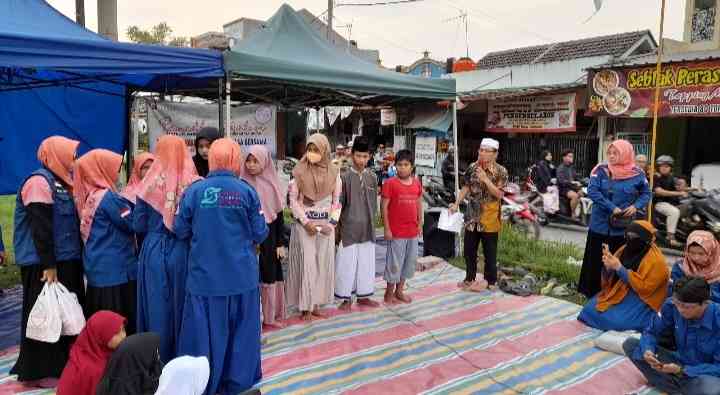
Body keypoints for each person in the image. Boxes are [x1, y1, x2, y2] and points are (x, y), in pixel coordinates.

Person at [175, 138, 268, 395]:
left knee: (205, 339)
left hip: (204, 281)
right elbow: (260, 233)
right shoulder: (247, 191)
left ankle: (204, 385)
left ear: (212, 159)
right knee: (241, 336)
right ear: (235, 159)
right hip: (241, 279)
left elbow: (180, 229)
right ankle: (239, 386)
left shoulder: (194, 191)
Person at [11, 136, 85, 387]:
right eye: (71, 154)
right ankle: (40, 370)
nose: (74, 160)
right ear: (57, 154)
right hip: (44, 263)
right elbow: (40, 227)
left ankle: (63, 364)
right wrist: (49, 265)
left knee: (67, 314)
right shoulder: (38, 182)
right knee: (45, 315)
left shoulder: (64, 181)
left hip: (66, 258)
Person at [134, 135, 201, 362]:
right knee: (183, 305)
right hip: (183, 250)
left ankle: (157, 361)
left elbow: (138, 224)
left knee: (156, 308)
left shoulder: (147, 184)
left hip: (153, 250)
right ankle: (184, 359)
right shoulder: (194, 184)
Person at [74, 149, 138, 332]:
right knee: (117, 325)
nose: (117, 174)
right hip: (116, 271)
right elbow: (130, 223)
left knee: (100, 322)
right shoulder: (108, 198)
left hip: (97, 269)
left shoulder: (88, 196)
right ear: (100, 169)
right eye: (114, 169)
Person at [622, 277, 720, 395]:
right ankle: (682, 389)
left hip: (704, 373)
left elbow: (718, 367)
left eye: (686, 307)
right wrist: (648, 350)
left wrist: (682, 371)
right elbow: (650, 331)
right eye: (677, 303)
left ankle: (674, 385)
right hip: (678, 362)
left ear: (705, 303)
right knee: (631, 345)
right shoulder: (671, 305)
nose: (680, 310)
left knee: (713, 389)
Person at [578, 140, 651, 298]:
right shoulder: (601, 170)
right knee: (595, 258)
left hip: (623, 227)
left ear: (625, 153)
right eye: (609, 153)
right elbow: (593, 191)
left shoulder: (637, 173)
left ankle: (615, 292)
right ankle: (590, 292)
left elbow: (647, 194)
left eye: (615, 153)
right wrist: (612, 208)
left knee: (619, 259)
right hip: (600, 224)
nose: (611, 156)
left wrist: (636, 206)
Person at [287, 133, 342, 320]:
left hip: (326, 228)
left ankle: (317, 303)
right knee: (308, 264)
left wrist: (332, 224)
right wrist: (306, 222)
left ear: (325, 151)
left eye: (316, 150)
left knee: (322, 264)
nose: (312, 153)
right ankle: (305, 307)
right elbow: (293, 201)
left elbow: (337, 202)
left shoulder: (334, 174)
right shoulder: (299, 172)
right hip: (305, 227)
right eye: (309, 149)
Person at [577, 221, 669, 331]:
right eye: (628, 236)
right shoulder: (624, 249)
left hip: (641, 300)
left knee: (615, 323)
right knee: (587, 310)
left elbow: (645, 288)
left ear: (646, 239)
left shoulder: (657, 262)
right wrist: (608, 269)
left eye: (634, 237)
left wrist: (619, 268)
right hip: (619, 291)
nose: (630, 240)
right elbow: (611, 278)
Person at [239, 145, 288, 329]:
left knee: (269, 274)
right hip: (247, 237)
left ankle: (269, 317)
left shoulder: (272, 184)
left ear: (265, 162)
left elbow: (278, 215)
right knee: (250, 277)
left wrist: (280, 243)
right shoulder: (241, 183)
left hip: (269, 237)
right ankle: (251, 319)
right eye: (248, 161)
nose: (251, 165)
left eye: (255, 161)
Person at [450, 138, 508, 292]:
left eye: (486, 150)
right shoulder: (472, 167)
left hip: (490, 214)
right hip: (472, 214)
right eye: (480, 150)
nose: (481, 153)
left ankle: (490, 281)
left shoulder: (501, 171)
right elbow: (466, 187)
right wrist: (456, 203)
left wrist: (485, 179)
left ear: (495, 154)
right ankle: (470, 278)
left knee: (490, 251)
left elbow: (499, 194)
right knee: (469, 249)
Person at [335, 136, 381, 311]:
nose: (362, 160)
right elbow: (339, 205)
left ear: (369, 157)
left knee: (367, 262)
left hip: (368, 228)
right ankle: (345, 299)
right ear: (352, 155)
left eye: (365, 156)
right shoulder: (344, 178)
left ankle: (364, 296)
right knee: (346, 263)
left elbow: (373, 204)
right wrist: (337, 228)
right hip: (349, 229)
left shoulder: (373, 177)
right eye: (359, 156)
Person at [382, 149, 423, 304]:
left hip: (412, 231)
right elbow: (384, 207)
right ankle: (388, 293)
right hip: (396, 232)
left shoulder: (417, 183)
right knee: (394, 263)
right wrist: (386, 228)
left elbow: (419, 204)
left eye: (406, 165)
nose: (403, 168)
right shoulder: (390, 184)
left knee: (409, 262)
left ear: (412, 167)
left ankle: (399, 291)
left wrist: (420, 223)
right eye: (399, 165)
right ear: (395, 166)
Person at [56, 311, 127, 395]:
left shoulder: (108, 353)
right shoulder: (90, 369)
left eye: (123, 330)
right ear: (101, 335)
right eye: (116, 333)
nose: (123, 336)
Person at [96, 333, 164, 395]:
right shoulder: (121, 389)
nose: (158, 356)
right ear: (140, 357)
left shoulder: (142, 376)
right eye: (155, 352)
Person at [669, 230, 720, 303]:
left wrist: (709, 294)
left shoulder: (718, 270)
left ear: (711, 252)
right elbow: (674, 291)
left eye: (701, 254)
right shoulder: (680, 267)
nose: (696, 257)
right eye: (692, 253)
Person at [653, 155, 687, 248]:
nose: (664, 168)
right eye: (662, 166)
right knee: (674, 212)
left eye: (667, 166)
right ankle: (670, 238)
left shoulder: (671, 177)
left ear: (670, 168)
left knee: (689, 206)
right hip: (659, 203)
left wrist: (695, 190)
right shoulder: (656, 177)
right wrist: (679, 194)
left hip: (671, 203)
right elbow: (660, 191)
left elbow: (680, 188)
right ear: (658, 167)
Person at [557, 149, 581, 218]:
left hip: (571, 187)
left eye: (572, 156)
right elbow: (561, 181)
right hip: (564, 189)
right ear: (564, 158)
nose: (571, 158)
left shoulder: (571, 167)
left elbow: (576, 176)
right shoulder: (560, 168)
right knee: (575, 196)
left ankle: (579, 211)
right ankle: (573, 214)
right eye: (569, 156)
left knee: (582, 193)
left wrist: (581, 181)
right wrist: (572, 182)